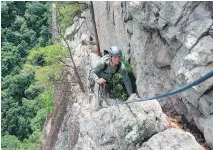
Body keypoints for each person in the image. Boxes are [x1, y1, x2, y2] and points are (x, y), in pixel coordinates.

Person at [89, 45, 136, 110]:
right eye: (115, 57)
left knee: (104, 98)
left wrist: (131, 95)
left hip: (105, 81)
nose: (118, 59)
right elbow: (92, 72)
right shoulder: (102, 63)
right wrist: (97, 80)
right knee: (97, 97)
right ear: (110, 57)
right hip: (97, 79)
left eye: (119, 57)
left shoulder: (121, 67)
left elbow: (126, 81)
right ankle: (95, 108)